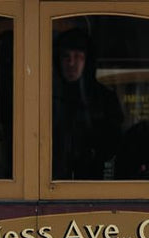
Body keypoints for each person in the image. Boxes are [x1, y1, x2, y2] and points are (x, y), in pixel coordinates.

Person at [52, 27, 123, 180]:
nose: (71, 63)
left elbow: (114, 145)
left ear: (87, 61)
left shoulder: (105, 98)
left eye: (78, 57)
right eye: (66, 56)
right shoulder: (46, 95)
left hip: (91, 184)